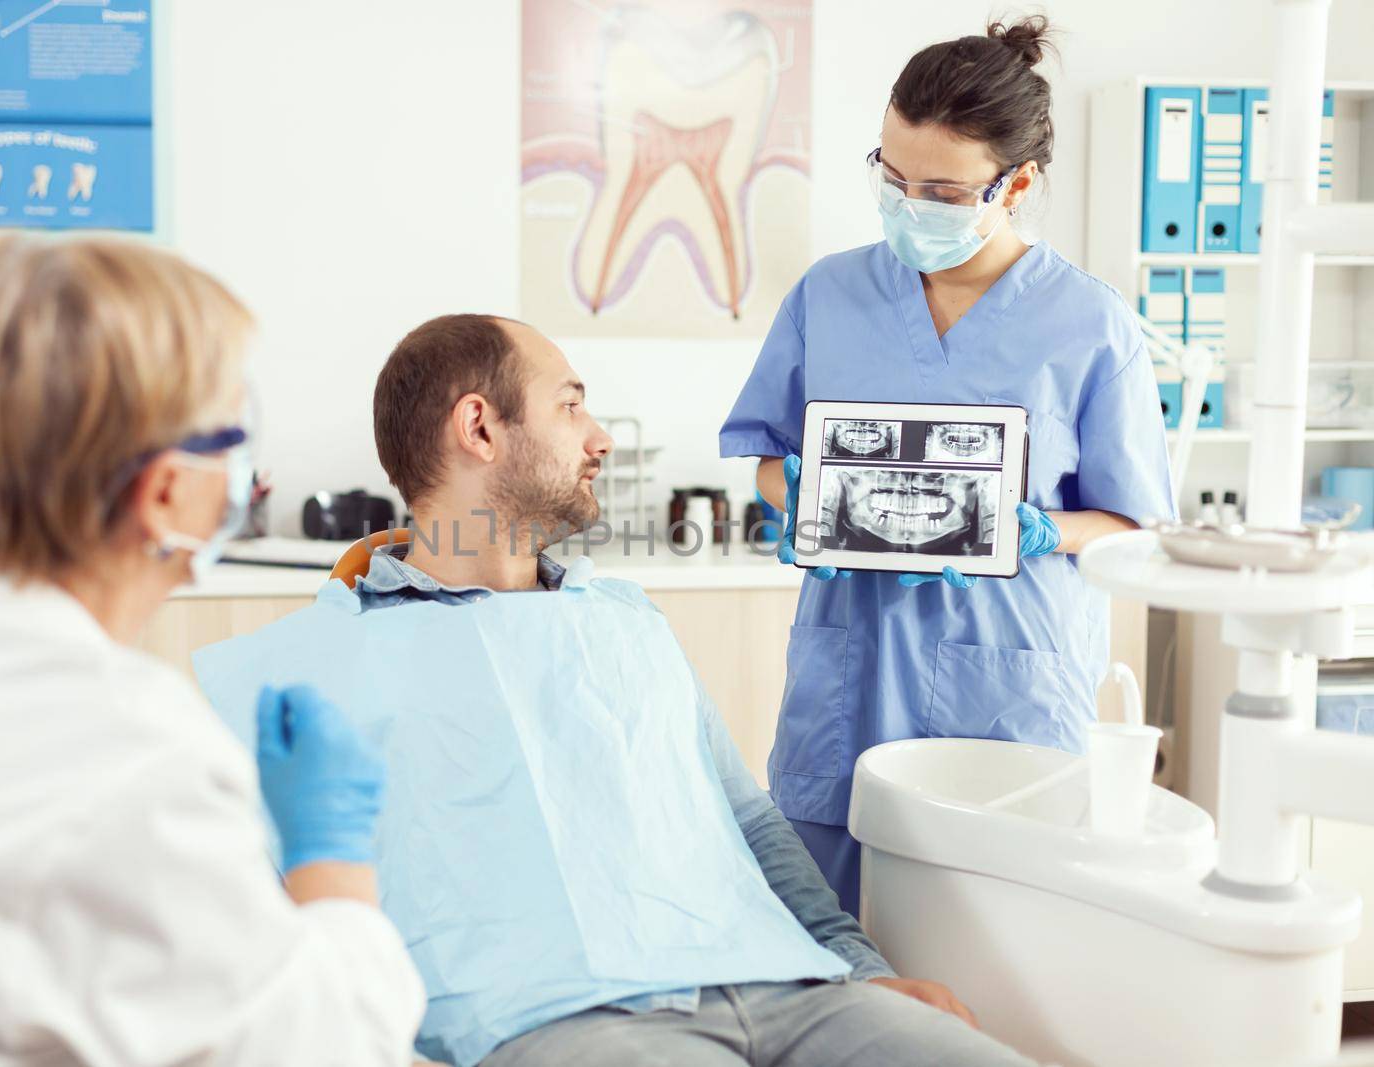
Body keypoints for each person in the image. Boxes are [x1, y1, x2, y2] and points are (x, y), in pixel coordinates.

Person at [195, 314, 1037, 1067]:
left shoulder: (624, 618)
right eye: (570, 406)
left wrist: (863, 970)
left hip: (790, 989)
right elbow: (259, 930)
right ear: (479, 427)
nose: (598, 437)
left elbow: (749, 821)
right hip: (564, 1021)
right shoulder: (307, 664)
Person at [0, 236, 425, 1065]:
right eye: (233, 435)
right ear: (164, 490)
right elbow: (329, 1044)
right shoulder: (129, 752)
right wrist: (332, 857)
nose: (244, 470)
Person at [719, 17, 1175, 914]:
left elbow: (1133, 524)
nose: (906, 204)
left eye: (936, 188)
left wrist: (1044, 528)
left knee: (1000, 944)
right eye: (891, 177)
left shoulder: (1090, 325)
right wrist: (802, 498)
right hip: (847, 680)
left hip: (1006, 682)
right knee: (834, 945)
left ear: (1017, 183)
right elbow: (766, 454)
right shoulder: (831, 294)